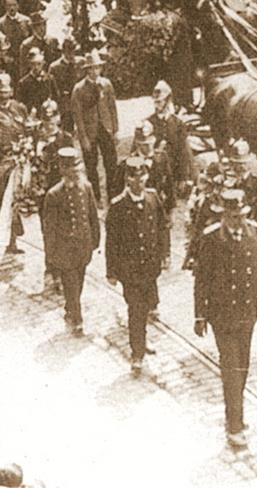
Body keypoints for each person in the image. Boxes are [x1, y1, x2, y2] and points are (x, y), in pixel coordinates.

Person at [193, 189, 257, 448]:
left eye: (240, 215)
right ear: (223, 216)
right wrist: (199, 315)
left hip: (247, 313)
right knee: (231, 369)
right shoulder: (211, 239)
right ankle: (234, 425)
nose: (236, 221)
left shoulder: (254, 233)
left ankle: (235, 410)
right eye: (231, 216)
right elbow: (202, 279)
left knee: (243, 366)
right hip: (222, 315)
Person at [104, 155, 167, 372]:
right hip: (129, 270)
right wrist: (111, 271)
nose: (139, 183)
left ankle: (143, 341)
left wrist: (165, 254)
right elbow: (111, 242)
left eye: (142, 178)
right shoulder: (118, 206)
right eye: (134, 179)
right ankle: (137, 353)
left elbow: (162, 227)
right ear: (127, 180)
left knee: (147, 306)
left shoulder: (153, 198)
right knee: (136, 310)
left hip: (150, 267)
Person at [42, 148, 100, 334]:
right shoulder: (54, 195)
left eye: (77, 168)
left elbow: (92, 215)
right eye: (70, 170)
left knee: (79, 281)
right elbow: (49, 228)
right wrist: (51, 252)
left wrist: (95, 239)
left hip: (83, 245)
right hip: (64, 249)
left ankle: (70, 308)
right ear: (62, 170)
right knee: (71, 282)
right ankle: (76, 318)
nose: (75, 173)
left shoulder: (86, 187)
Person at [70, 51, 119, 203]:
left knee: (111, 163)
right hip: (90, 132)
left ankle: (113, 195)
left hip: (106, 128)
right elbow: (77, 116)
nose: (95, 71)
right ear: (87, 70)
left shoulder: (106, 84)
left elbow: (112, 108)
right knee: (91, 166)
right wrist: (83, 138)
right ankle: (95, 197)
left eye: (98, 68)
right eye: (92, 68)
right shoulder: (79, 89)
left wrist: (115, 130)